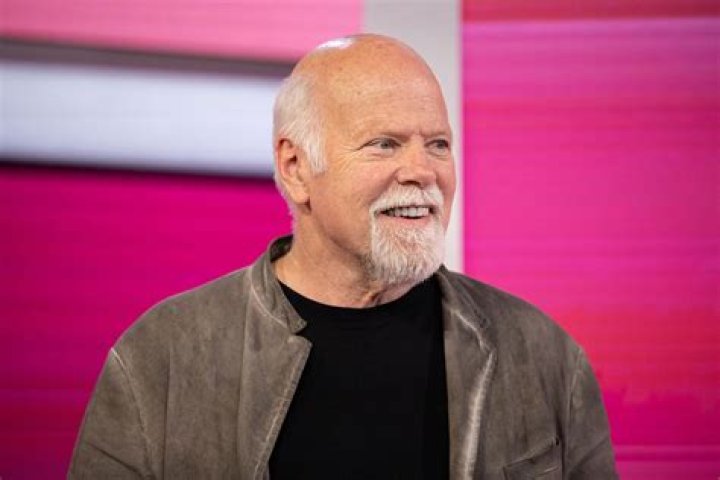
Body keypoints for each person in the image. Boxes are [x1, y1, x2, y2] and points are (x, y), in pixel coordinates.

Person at [69, 34, 617, 479]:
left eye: (438, 144)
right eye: (384, 144)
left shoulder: (544, 355)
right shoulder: (162, 356)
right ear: (296, 168)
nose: (422, 171)